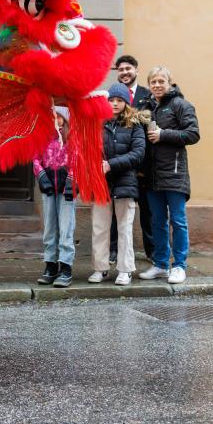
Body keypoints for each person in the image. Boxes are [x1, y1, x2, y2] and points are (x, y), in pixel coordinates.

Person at [136, 67, 200, 285]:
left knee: (178, 221)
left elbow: (193, 134)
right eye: (153, 81)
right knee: (157, 222)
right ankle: (161, 264)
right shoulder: (145, 107)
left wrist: (164, 134)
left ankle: (180, 266)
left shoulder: (181, 105)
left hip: (174, 173)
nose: (156, 85)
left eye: (161, 81)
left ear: (170, 83)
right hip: (152, 175)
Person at [89, 83, 146, 286]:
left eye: (119, 100)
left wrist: (110, 164)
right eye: (111, 100)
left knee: (124, 228)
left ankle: (125, 270)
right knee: (99, 227)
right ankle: (100, 268)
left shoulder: (135, 124)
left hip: (125, 183)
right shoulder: (98, 123)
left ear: (126, 102)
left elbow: (138, 154)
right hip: (101, 184)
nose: (114, 104)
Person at [109, 55, 155, 265]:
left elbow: (150, 123)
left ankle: (151, 250)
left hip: (143, 162)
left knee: (147, 210)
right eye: (121, 69)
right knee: (114, 213)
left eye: (128, 68)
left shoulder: (148, 96)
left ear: (136, 70)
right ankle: (113, 250)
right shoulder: (112, 96)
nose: (125, 72)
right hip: (119, 164)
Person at [34, 106, 75, 288]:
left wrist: (72, 181)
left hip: (66, 188)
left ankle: (66, 267)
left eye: (59, 117)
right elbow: (35, 158)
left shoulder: (71, 139)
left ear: (65, 119)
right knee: (50, 227)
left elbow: (77, 159)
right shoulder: (42, 139)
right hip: (49, 186)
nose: (56, 121)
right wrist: (42, 176)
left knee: (66, 227)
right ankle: (51, 265)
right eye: (52, 117)